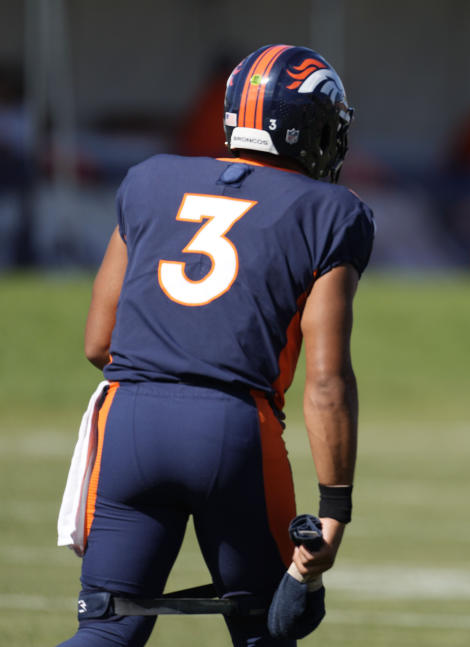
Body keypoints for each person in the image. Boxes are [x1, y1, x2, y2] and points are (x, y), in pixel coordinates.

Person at [58, 44, 375, 647]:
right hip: (232, 428)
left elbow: (100, 341)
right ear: (307, 127)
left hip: (128, 416)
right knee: (272, 627)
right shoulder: (331, 210)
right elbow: (327, 381)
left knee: (106, 628)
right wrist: (335, 508)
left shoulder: (150, 179)